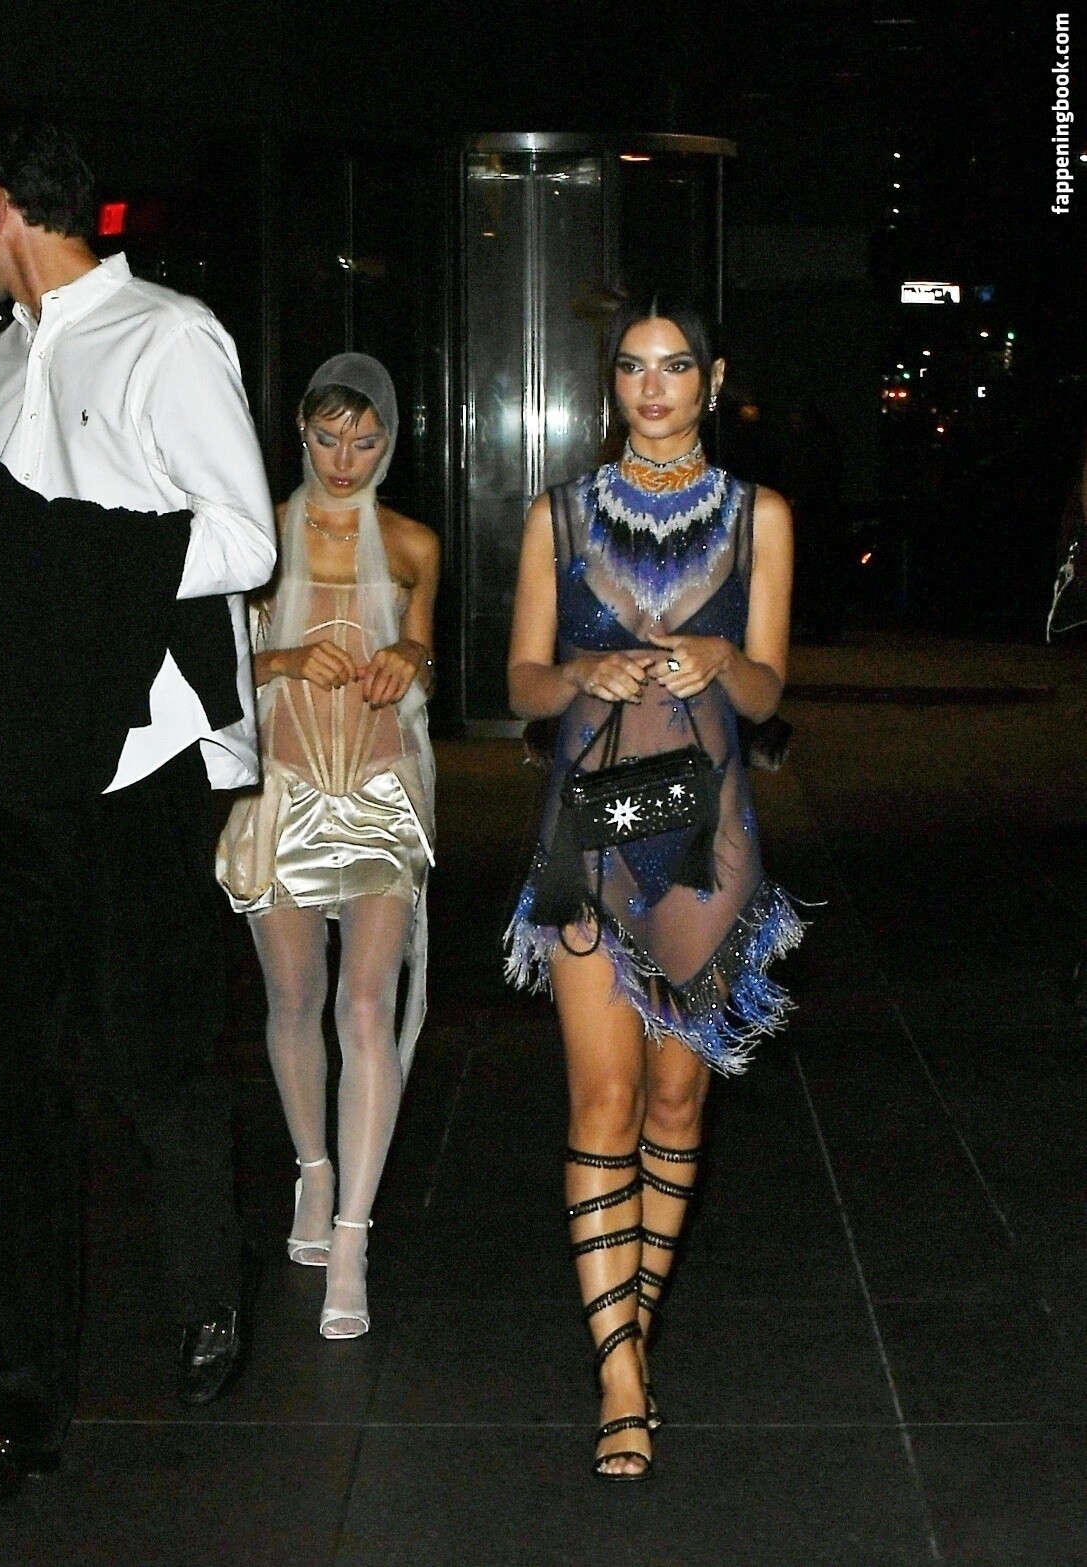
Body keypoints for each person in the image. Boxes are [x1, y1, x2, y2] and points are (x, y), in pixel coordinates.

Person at [0, 113, 275, 1512]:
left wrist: (41, 544)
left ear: (1, 206)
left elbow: (241, 537)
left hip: (133, 762)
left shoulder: (168, 337)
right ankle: (12, 1402)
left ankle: (210, 1289)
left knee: (152, 1060)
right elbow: (2, 563)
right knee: (0, 1090)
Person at [505, 297, 802, 1481]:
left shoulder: (759, 515)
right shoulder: (559, 513)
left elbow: (770, 691)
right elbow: (522, 681)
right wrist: (582, 668)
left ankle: (636, 1320)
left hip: (706, 831)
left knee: (676, 1106)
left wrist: (725, 659)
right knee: (602, 1101)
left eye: (676, 366)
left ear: (711, 380)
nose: (654, 386)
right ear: (611, 381)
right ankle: (618, 1373)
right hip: (588, 824)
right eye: (633, 367)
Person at [216, 353, 437, 1340]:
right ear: (300, 431)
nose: (344, 458)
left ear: (388, 442)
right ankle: (313, 1168)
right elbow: (212, 664)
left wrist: (408, 653)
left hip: (382, 791)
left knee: (366, 1003)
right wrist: (284, 656)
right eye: (327, 436)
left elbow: (424, 655)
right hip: (284, 791)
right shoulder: (254, 536)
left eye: (365, 440)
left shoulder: (413, 543)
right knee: (293, 998)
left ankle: (352, 1234)